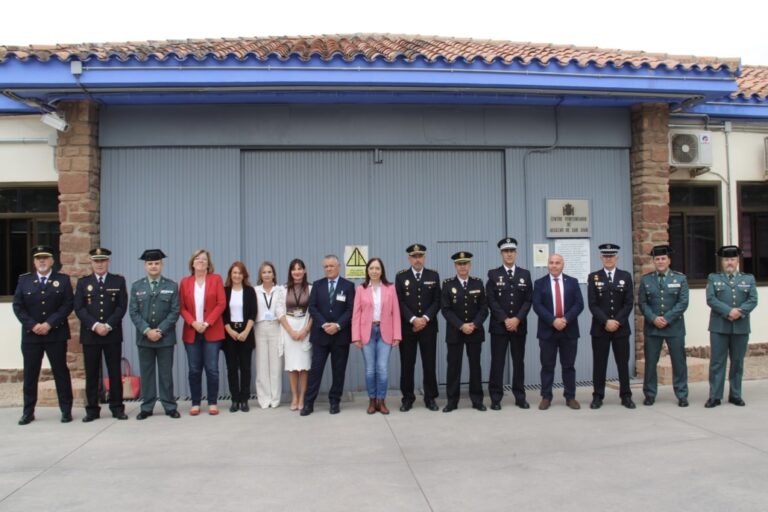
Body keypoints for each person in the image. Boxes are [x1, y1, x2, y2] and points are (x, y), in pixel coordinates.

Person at [12, 245, 75, 425]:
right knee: (30, 375)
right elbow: (18, 306)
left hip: (56, 334)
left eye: (45, 258)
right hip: (31, 336)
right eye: (38, 258)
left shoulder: (62, 280)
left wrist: (49, 323)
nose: (42, 261)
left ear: (52, 261)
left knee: (60, 372)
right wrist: (33, 325)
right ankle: (28, 412)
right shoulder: (24, 280)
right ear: (34, 262)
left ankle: (66, 410)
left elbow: (67, 304)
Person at [74, 248, 129, 422]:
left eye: (103, 261)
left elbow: (121, 306)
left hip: (112, 334)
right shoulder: (83, 283)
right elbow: (79, 308)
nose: (99, 264)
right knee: (91, 373)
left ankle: (117, 407)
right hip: (90, 335)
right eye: (96, 261)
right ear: (91, 262)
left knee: (114, 372)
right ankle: (92, 409)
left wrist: (108, 325)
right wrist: (95, 325)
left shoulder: (118, 281)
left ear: (108, 262)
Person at [129, 249, 181, 420]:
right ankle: (147, 407)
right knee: (147, 374)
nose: (153, 266)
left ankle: (169, 406)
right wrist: (147, 330)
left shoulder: (171, 286)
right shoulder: (137, 286)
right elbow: (133, 312)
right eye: (150, 263)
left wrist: (160, 330)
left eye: (156, 263)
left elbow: (175, 311)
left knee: (166, 374)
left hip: (165, 338)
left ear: (162, 265)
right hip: (144, 338)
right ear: (145, 266)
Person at [704, 245, 759, 408]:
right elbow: (711, 299)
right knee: (717, 362)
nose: (729, 262)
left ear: (737, 261)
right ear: (722, 261)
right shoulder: (713, 278)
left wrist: (739, 312)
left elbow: (753, 300)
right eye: (726, 259)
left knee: (737, 362)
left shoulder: (748, 279)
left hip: (740, 326)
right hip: (719, 327)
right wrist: (728, 311)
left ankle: (735, 395)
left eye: (732, 259)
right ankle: (715, 396)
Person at [301, 255, 355, 416]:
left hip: (340, 336)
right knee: (315, 371)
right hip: (320, 336)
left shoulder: (348, 286)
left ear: (339, 266)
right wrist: (325, 324)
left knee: (338, 371)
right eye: (326, 266)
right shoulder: (317, 285)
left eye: (332, 266)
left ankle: (334, 402)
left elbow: (350, 309)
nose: (329, 269)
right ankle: (308, 403)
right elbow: (312, 307)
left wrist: (337, 325)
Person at [638, 245, 690, 407]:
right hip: (653, 327)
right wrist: (653, 318)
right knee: (650, 362)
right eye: (657, 259)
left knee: (678, 362)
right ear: (653, 261)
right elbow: (642, 303)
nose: (660, 261)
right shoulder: (646, 280)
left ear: (669, 260)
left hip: (674, 327)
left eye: (663, 259)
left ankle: (682, 394)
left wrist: (667, 318)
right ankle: (649, 394)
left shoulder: (680, 279)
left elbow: (683, 302)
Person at [532, 253, 584, 410]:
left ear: (563, 265)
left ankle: (570, 397)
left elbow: (579, 304)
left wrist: (565, 319)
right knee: (547, 366)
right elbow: (537, 305)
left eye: (557, 263)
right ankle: (546, 397)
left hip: (569, 330)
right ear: (547, 264)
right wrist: (553, 320)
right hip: (548, 330)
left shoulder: (572, 282)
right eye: (551, 262)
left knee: (568, 366)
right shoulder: (539, 283)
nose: (554, 265)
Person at [486, 237, 533, 410]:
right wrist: (506, 319)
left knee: (518, 362)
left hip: (519, 327)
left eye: (512, 251)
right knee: (497, 362)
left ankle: (520, 397)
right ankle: (495, 398)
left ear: (516, 253)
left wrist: (517, 319)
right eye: (506, 251)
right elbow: (491, 300)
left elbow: (528, 300)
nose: (509, 254)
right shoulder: (493, 274)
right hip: (499, 327)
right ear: (501, 254)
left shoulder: (525, 274)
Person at [587, 243, 635, 410]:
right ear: (601, 258)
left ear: (617, 258)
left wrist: (617, 321)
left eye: (611, 256)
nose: (608, 259)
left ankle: (626, 396)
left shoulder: (625, 276)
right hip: (600, 329)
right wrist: (606, 321)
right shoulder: (594, 277)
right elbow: (592, 304)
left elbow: (629, 303)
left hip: (621, 329)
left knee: (623, 364)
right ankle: (598, 396)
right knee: (599, 364)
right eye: (605, 256)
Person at [179, 249, 226, 416]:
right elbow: (181, 307)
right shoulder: (185, 282)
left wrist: (207, 323)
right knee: (194, 369)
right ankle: (195, 403)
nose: (201, 261)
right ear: (192, 263)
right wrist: (193, 323)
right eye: (197, 259)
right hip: (192, 332)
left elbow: (221, 303)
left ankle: (212, 402)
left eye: (204, 259)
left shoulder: (216, 279)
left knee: (212, 368)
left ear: (208, 263)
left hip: (212, 330)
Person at [352, 258, 402, 414]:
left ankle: (381, 400)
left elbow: (396, 312)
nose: (374, 271)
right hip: (366, 333)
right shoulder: (361, 289)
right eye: (371, 268)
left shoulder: (390, 288)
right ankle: (372, 400)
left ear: (382, 271)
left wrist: (397, 335)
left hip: (385, 332)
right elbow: (356, 314)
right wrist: (356, 336)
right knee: (370, 370)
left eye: (377, 268)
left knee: (382, 369)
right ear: (367, 270)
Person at [440, 251, 488, 413]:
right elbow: (446, 310)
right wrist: (461, 325)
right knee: (453, 367)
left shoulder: (478, 283)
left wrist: (474, 324)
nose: (462, 266)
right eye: (459, 264)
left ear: (470, 265)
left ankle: (477, 400)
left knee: (475, 367)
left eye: (465, 263)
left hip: (475, 332)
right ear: (455, 266)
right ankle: (452, 402)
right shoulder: (448, 284)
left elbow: (484, 308)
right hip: (455, 332)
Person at [395, 244, 441, 412]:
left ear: (424, 257)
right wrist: (413, 319)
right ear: (409, 259)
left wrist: (425, 318)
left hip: (428, 328)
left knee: (429, 364)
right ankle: (407, 398)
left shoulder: (433, 275)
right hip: (408, 328)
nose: (417, 259)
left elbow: (437, 300)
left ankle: (430, 398)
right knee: (407, 364)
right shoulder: (401, 276)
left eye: (420, 256)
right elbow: (399, 301)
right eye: (414, 256)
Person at [277, 259, 313, 411]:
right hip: (289, 329)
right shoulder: (283, 289)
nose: (297, 272)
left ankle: (302, 397)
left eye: (299, 269)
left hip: (305, 328)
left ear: (304, 271)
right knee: (292, 366)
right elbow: (279, 312)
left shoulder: (311, 288)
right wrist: (290, 331)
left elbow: (314, 311)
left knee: (304, 366)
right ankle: (295, 397)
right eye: (294, 269)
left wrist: (305, 330)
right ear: (290, 272)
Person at [223, 261, 256, 412]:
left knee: (245, 368)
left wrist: (245, 332)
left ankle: (244, 399)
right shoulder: (225, 291)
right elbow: (222, 314)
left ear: (244, 275)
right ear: (230, 274)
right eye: (234, 272)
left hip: (245, 332)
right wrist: (231, 331)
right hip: (229, 333)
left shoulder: (249, 291)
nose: (237, 275)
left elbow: (253, 313)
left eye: (240, 273)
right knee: (231, 368)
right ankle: (235, 399)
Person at [254, 261, 284, 409]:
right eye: (264, 272)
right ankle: (264, 399)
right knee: (262, 365)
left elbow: (283, 309)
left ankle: (275, 398)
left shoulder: (280, 290)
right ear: (260, 275)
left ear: (274, 274)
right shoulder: (255, 290)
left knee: (276, 365)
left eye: (269, 272)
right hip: (260, 327)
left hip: (275, 327)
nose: (267, 274)